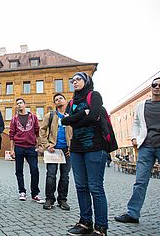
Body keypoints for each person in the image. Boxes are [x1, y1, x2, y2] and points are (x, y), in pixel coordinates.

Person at [115, 76, 160, 235]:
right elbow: (136, 123)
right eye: (154, 85)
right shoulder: (141, 105)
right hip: (146, 147)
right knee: (140, 182)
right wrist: (135, 136)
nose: (156, 87)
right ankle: (132, 213)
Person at [61, 72, 108, 236]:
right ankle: (85, 222)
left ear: (87, 81)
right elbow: (64, 121)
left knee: (95, 187)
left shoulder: (94, 95)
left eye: (78, 79)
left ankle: (101, 227)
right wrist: (83, 114)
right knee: (81, 186)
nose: (75, 82)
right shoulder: (71, 102)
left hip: (95, 146)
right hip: (76, 148)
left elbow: (94, 116)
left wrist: (74, 119)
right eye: (72, 80)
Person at [38, 93, 72, 211]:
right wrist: (47, 145)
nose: (58, 100)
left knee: (65, 176)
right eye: (56, 99)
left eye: (60, 98)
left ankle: (62, 200)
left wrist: (71, 148)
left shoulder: (71, 116)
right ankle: (49, 199)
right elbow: (42, 130)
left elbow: (76, 132)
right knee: (51, 175)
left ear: (65, 101)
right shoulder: (51, 115)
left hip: (67, 150)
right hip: (53, 150)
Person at [10, 98, 45, 204]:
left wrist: (39, 145)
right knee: (19, 170)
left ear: (25, 105)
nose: (19, 105)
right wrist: (12, 149)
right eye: (17, 104)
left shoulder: (33, 117)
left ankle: (35, 194)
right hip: (19, 147)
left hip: (31, 147)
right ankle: (22, 192)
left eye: (20, 103)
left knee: (34, 170)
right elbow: (11, 135)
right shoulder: (14, 119)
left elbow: (37, 132)